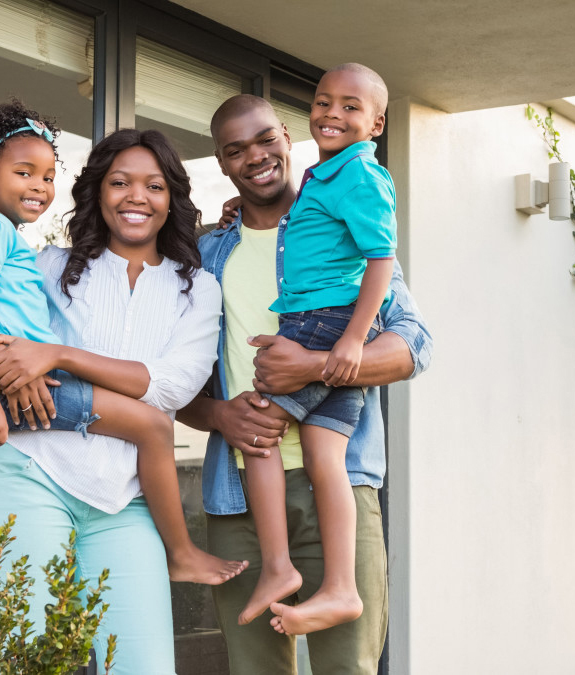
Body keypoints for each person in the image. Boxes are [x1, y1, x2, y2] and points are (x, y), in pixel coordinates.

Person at [0, 127, 240, 672]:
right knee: (22, 659)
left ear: (173, 199)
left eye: (154, 186)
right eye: (119, 182)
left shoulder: (197, 288)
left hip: (126, 502)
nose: (136, 197)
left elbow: (171, 387)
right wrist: (3, 361)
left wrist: (55, 355)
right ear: (98, 192)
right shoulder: (51, 264)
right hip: (31, 472)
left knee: (143, 666)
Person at [177, 92, 432, 672]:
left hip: (338, 485)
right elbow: (174, 384)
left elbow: (413, 346)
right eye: (236, 150)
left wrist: (315, 366)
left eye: (266, 138)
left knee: (347, 667)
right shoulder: (206, 255)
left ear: (289, 137)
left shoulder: (341, 228)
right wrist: (219, 416)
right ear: (221, 163)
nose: (256, 157)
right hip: (238, 496)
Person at [227, 62, 396, 635]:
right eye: (324, 101)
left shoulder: (355, 178)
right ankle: (341, 589)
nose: (333, 113)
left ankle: (279, 568)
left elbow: (390, 279)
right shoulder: (320, 186)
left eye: (351, 107)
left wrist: (339, 347)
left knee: (256, 432)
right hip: (328, 326)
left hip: (324, 323)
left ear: (376, 123)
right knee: (329, 461)